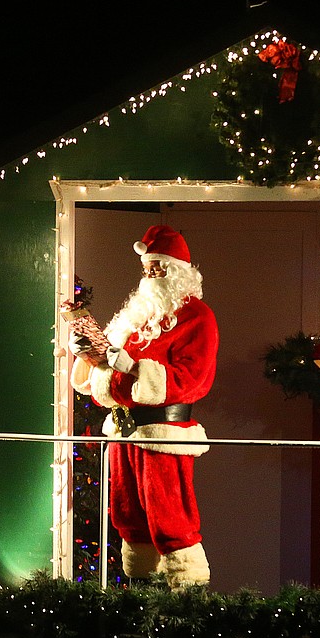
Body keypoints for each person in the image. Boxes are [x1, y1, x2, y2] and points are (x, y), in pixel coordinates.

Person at [68, 224, 219, 591]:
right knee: (128, 514)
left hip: (163, 434)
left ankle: (187, 593)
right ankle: (140, 593)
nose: (151, 276)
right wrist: (90, 357)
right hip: (124, 430)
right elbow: (107, 373)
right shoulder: (134, 317)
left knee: (170, 515)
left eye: (159, 268)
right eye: (147, 268)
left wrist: (125, 365)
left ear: (181, 273)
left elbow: (194, 378)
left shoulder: (197, 317)